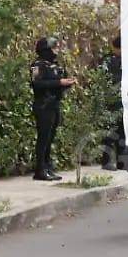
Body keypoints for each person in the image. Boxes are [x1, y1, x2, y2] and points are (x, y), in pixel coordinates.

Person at [30, 37, 76, 180]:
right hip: (43, 105)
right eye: (53, 48)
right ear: (46, 50)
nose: (56, 51)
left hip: (54, 104)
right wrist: (58, 82)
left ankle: (48, 167)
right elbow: (37, 84)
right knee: (43, 138)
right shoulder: (38, 65)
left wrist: (67, 83)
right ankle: (40, 169)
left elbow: (57, 83)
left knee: (50, 137)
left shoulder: (55, 65)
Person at [99, 36, 123, 171]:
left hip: (123, 100)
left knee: (122, 133)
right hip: (111, 100)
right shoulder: (107, 60)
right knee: (109, 133)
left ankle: (122, 161)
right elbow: (103, 77)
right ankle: (106, 160)